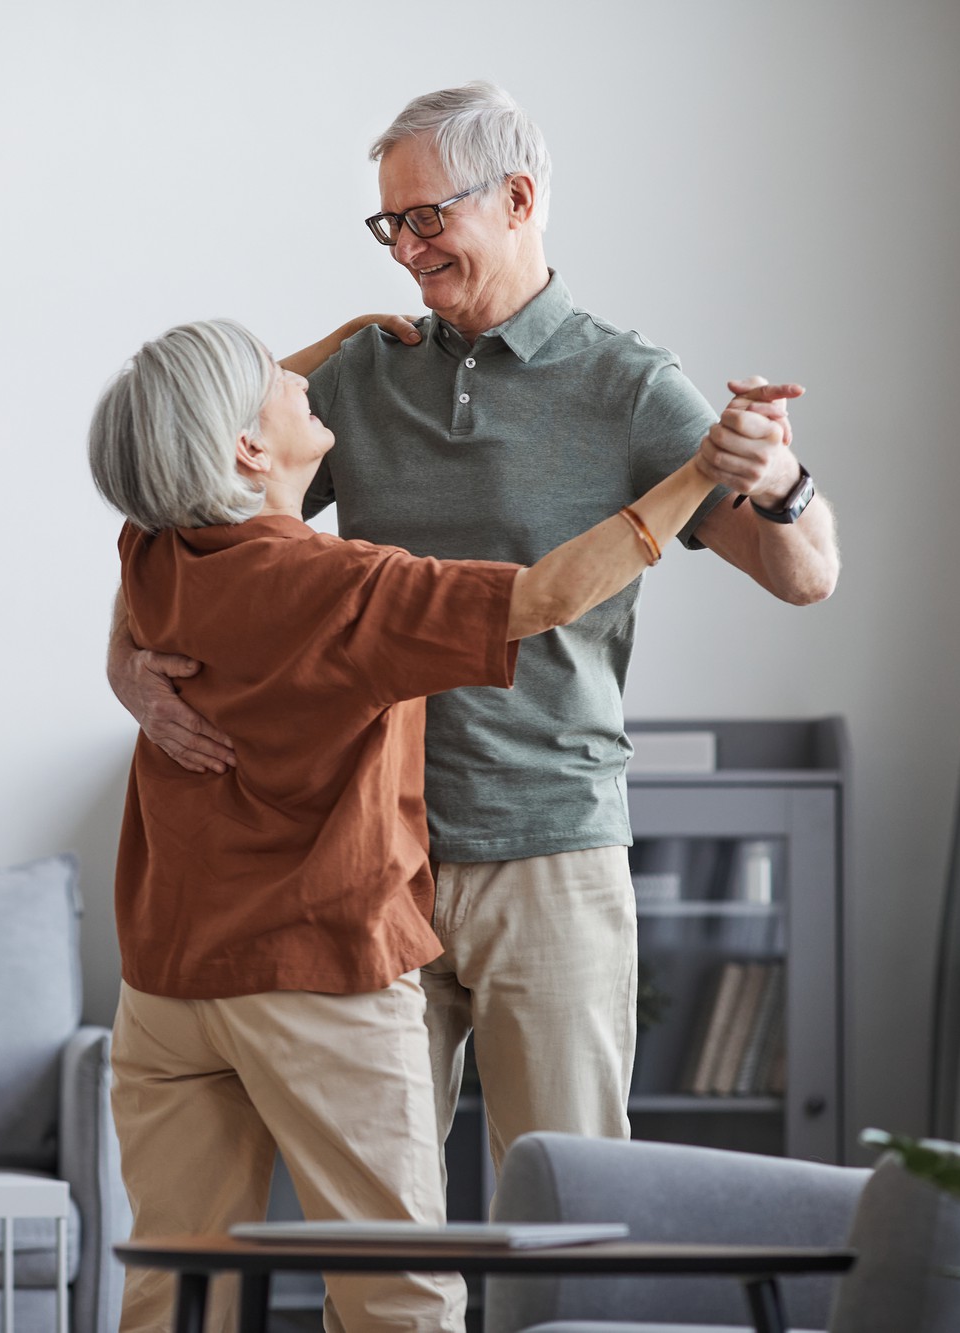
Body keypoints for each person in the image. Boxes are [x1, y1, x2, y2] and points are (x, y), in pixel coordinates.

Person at [107, 83, 841, 1182]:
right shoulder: (360, 377)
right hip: (368, 864)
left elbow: (806, 575)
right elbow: (180, 499)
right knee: (381, 1222)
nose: (402, 249)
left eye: (424, 217)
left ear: (516, 197)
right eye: (387, 223)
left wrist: (777, 477)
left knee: (568, 1192)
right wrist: (127, 669)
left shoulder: (627, 387)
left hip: (549, 846)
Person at [88, 317, 777, 1333]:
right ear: (241, 445)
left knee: (176, 1293)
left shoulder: (153, 551)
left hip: (164, 984)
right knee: (397, 1295)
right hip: (310, 974)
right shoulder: (347, 590)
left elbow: (203, 429)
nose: (298, 375)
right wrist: (690, 478)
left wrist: (354, 332)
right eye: (271, 379)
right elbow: (546, 595)